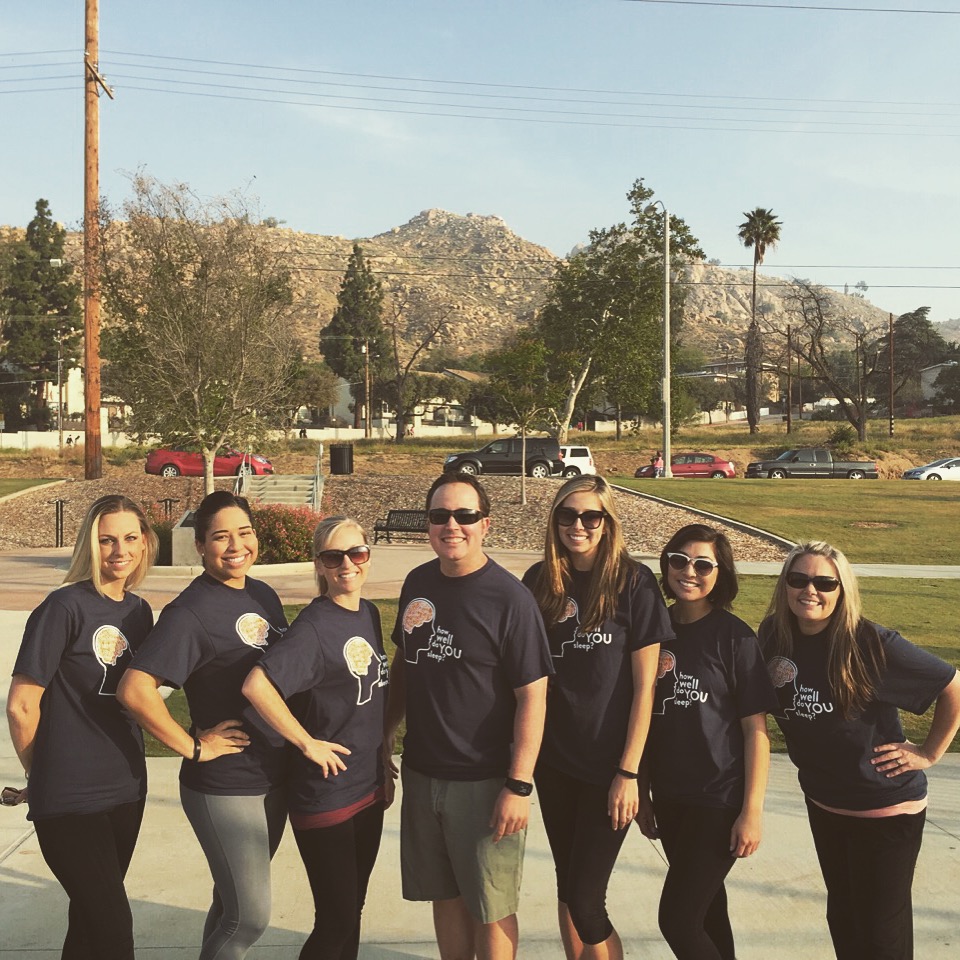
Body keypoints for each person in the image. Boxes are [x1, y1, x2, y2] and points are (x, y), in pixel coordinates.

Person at [759, 541, 960, 960]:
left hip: (884, 810)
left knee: (881, 936)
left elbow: (952, 687)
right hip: (824, 803)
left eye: (824, 582)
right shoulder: (774, 635)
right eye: (798, 579)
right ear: (785, 585)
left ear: (841, 589)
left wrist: (928, 752)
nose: (809, 590)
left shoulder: (871, 643)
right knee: (845, 920)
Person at [383, 472, 553, 960]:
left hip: (485, 781)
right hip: (422, 770)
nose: (451, 525)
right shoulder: (418, 582)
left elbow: (533, 697)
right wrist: (385, 733)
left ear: (486, 524)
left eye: (465, 516)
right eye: (440, 516)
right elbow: (405, 661)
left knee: (491, 905)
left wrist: (519, 786)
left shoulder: (509, 599)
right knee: (445, 893)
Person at [118, 491, 289, 960]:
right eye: (220, 536)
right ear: (199, 546)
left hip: (271, 777)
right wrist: (194, 747)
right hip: (224, 785)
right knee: (250, 917)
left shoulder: (262, 594)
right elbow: (134, 690)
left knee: (229, 904)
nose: (235, 545)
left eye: (244, 532)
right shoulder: (190, 612)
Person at [522, 475, 671, 960]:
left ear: (607, 523)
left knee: (588, 901)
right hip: (553, 761)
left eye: (591, 516)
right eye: (567, 515)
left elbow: (646, 686)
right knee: (568, 888)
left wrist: (629, 772)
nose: (578, 525)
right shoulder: (539, 582)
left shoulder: (634, 582)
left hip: (608, 766)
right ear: (555, 520)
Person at [6, 495, 158, 960]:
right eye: (106, 539)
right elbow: (21, 707)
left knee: (90, 926)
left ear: (145, 543)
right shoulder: (63, 607)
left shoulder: (139, 612)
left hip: (127, 789)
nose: (119, 551)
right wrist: (43, 774)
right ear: (89, 545)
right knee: (114, 931)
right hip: (71, 801)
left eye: (130, 538)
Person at [242, 516, 389, 960]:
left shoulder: (367, 613)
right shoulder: (315, 626)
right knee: (336, 919)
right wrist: (307, 743)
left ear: (368, 556)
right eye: (333, 556)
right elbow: (256, 686)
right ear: (320, 564)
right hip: (326, 794)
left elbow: (365, 697)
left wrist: (381, 755)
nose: (347, 564)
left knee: (353, 910)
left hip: (368, 784)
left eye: (356, 553)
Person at [638, 523, 777, 960]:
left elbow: (756, 732)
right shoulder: (651, 629)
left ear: (721, 573)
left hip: (719, 800)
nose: (689, 572)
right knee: (707, 913)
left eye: (703, 564)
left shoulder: (735, 637)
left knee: (676, 919)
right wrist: (642, 792)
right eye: (679, 560)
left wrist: (751, 812)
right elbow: (637, 718)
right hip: (670, 797)